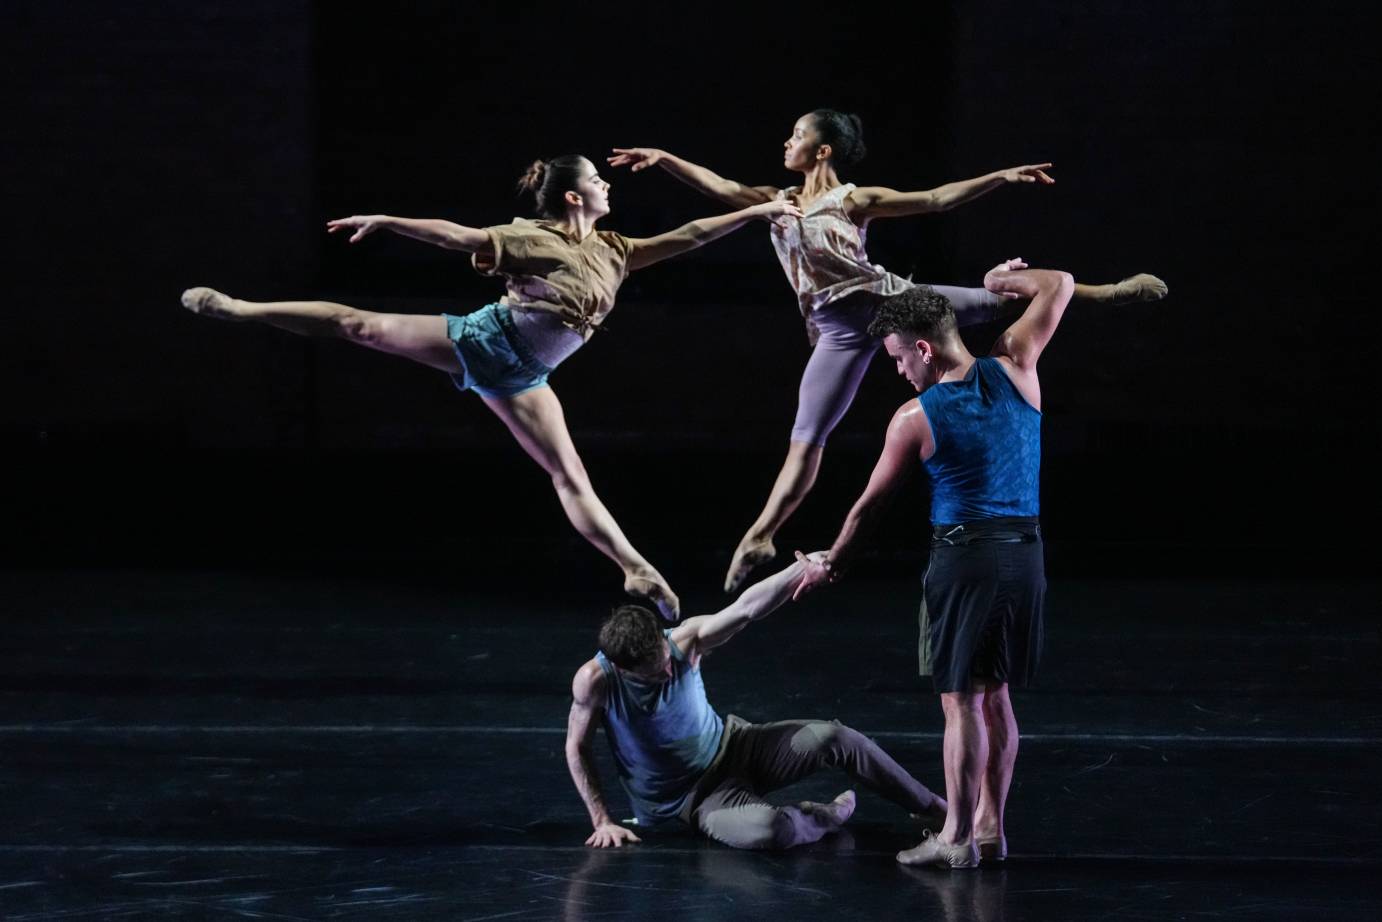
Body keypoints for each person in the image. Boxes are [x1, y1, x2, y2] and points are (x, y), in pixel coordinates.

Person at [181, 155, 802, 620]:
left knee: (569, 475)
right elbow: (459, 236)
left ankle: (635, 569)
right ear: (571, 195)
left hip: (526, 377)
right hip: (481, 341)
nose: (607, 184)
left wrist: (755, 211)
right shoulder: (533, 238)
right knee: (358, 325)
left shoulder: (616, 249)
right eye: (596, 178)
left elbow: (690, 236)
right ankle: (239, 309)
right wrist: (390, 220)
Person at [610, 111, 1166, 593]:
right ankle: (760, 537)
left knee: (997, 297)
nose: (785, 142)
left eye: (796, 134)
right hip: (838, 329)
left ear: (822, 148)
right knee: (807, 438)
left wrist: (998, 176)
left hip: (889, 299)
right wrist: (664, 159)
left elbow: (934, 199)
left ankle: (1103, 291)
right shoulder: (771, 202)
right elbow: (717, 185)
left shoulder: (852, 200)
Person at [793, 258, 1075, 869]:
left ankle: (956, 838)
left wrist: (831, 564)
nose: (898, 370)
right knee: (995, 695)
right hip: (1026, 556)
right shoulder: (1018, 364)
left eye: (898, 358)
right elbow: (1059, 284)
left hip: (966, 560)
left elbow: (868, 510)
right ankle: (991, 829)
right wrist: (999, 281)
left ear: (924, 347)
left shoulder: (914, 418)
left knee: (961, 702)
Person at [565, 557, 949, 850]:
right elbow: (577, 747)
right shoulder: (594, 681)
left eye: (667, 663)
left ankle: (929, 806)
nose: (668, 674)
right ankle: (825, 815)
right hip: (694, 799)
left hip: (737, 746)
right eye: (654, 674)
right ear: (622, 667)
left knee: (836, 737)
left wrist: (802, 568)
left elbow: (747, 608)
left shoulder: (685, 641)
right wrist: (602, 820)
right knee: (772, 830)